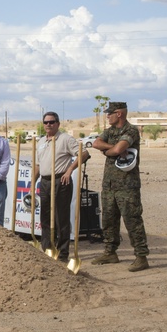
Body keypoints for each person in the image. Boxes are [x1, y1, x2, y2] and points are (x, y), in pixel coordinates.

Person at [90, 101, 150, 271]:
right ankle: (110, 252)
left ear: (119, 114)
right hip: (109, 184)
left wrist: (111, 150)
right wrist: (111, 148)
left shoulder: (130, 130)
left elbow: (118, 150)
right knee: (109, 219)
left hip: (127, 185)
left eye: (110, 113)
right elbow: (96, 144)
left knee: (132, 220)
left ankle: (141, 256)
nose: (107, 116)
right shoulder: (110, 131)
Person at [31, 111, 88, 261]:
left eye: (51, 122)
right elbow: (38, 164)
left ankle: (63, 253)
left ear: (58, 124)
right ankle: (48, 249)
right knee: (44, 217)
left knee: (60, 218)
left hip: (60, 181)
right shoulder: (41, 141)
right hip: (44, 182)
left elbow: (84, 153)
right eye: (46, 122)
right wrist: (33, 181)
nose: (48, 125)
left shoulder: (65, 139)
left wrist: (69, 170)